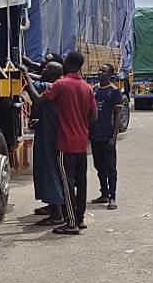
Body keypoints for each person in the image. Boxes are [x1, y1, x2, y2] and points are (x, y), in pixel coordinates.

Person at [22, 51, 97, 235]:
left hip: (65, 143)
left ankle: (70, 223)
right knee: (82, 182)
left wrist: (26, 77)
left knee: (67, 183)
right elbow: (93, 115)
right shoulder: (87, 87)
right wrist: (80, 125)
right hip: (81, 142)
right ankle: (79, 219)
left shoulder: (61, 85)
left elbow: (38, 100)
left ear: (67, 64)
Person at [25, 61, 66, 225]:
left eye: (47, 69)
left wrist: (25, 75)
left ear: (54, 74)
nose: (43, 69)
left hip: (51, 135)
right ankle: (52, 205)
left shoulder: (51, 86)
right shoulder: (53, 83)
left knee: (50, 170)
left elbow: (36, 95)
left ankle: (57, 213)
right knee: (45, 169)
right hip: (46, 130)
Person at [90, 64, 123, 210]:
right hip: (95, 135)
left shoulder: (114, 91)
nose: (100, 73)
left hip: (108, 135)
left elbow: (117, 115)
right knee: (99, 166)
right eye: (99, 70)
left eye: (103, 71)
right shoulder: (94, 90)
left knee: (111, 167)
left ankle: (112, 196)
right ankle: (103, 193)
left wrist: (114, 136)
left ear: (110, 74)